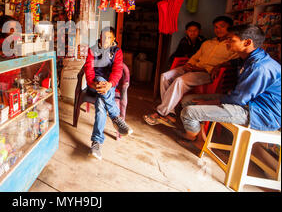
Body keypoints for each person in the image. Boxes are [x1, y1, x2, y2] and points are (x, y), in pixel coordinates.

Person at [178, 24, 281, 146]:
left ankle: (191, 137)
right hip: (245, 103)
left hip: (259, 113)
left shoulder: (259, 67)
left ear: (247, 42)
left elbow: (239, 99)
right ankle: (200, 139)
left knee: (189, 112)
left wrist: (208, 102)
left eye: (231, 40)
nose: (227, 42)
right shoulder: (248, 57)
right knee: (187, 100)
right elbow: (234, 62)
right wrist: (219, 65)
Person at [143, 16, 238, 128]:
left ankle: (161, 113)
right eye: (216, 27)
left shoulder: (232, 45)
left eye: (222, 26)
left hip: (207, 73)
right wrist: (189, 64)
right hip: (194, 68)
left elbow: (232, 62)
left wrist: (215, 67)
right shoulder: (208, 43)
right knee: (165, 76)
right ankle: (171, 113)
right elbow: (195, 56)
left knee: (180, 81)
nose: (218, 29)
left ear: (230, 27)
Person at [84, 26, 133, 160]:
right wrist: (95, 83)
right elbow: (89, 71)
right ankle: (116, 118)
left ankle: (96, 143)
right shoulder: (92, 50)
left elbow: (117, 71)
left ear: (113, 39)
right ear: (100, 37)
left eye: (109, 37)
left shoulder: (117, 51)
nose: (106, 40)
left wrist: (110, 84)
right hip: (95, 84)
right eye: (104, 37)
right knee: (100, 80)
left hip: (110, 87)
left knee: (101, 103)